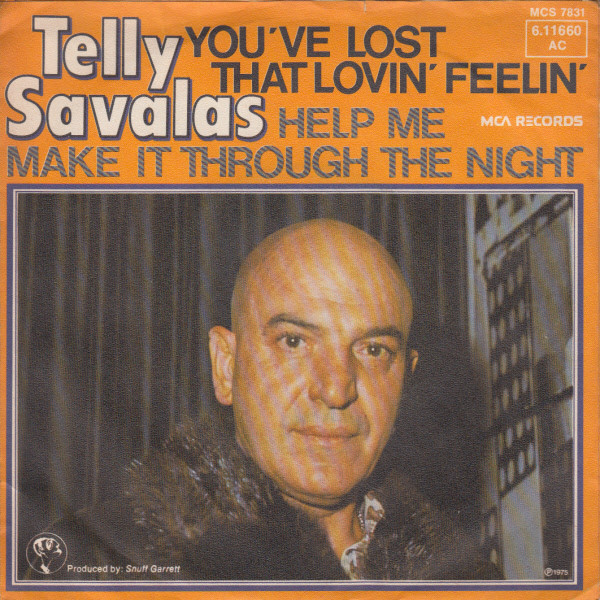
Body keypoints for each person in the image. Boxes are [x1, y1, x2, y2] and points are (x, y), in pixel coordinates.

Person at [26, 219, 500, 581]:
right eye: (294, 342)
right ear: (226, 366)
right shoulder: (102, 563)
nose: (336, 390)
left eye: (374, 350)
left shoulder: (467, 579)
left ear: (406, 383)